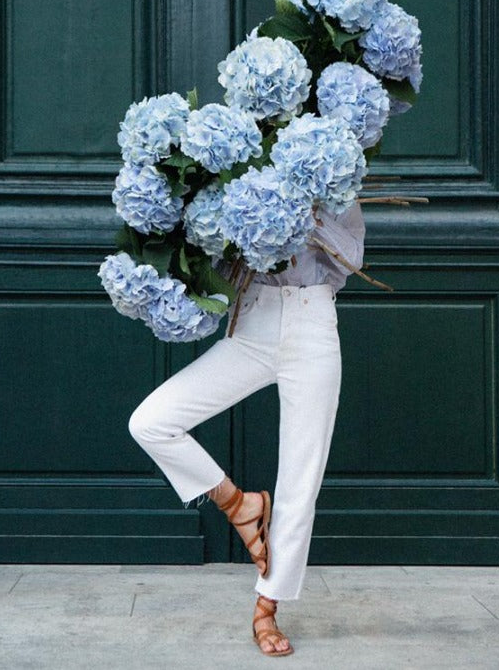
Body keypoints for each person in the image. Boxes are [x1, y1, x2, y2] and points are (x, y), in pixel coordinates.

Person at [128, 199, 366, 656]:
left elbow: (351, 257)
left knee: (301, 479)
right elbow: (219, 263)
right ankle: (240, 504)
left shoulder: (335, 175)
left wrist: (304, 212)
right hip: (251, 322)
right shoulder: (233, 178)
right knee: (152, 422)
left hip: (313, 320)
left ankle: (267, 606)